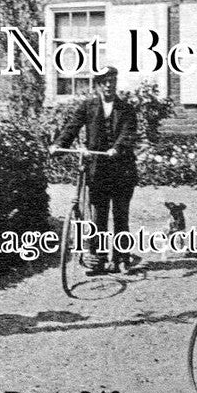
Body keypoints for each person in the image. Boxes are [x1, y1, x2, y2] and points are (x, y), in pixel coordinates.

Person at [50, 67, 140, 275]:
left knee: (120, 216)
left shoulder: (126, 109)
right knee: (98, 216)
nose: (109, 85)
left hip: (122, 170)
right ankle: (98, 260)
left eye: (112, 81)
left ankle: (122, 259)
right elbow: (72, 128)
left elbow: (128, 135)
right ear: (98, 85)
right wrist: (58, 145)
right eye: (105, 82)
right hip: (98, 170)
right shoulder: (88, 106)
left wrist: (116, 149)